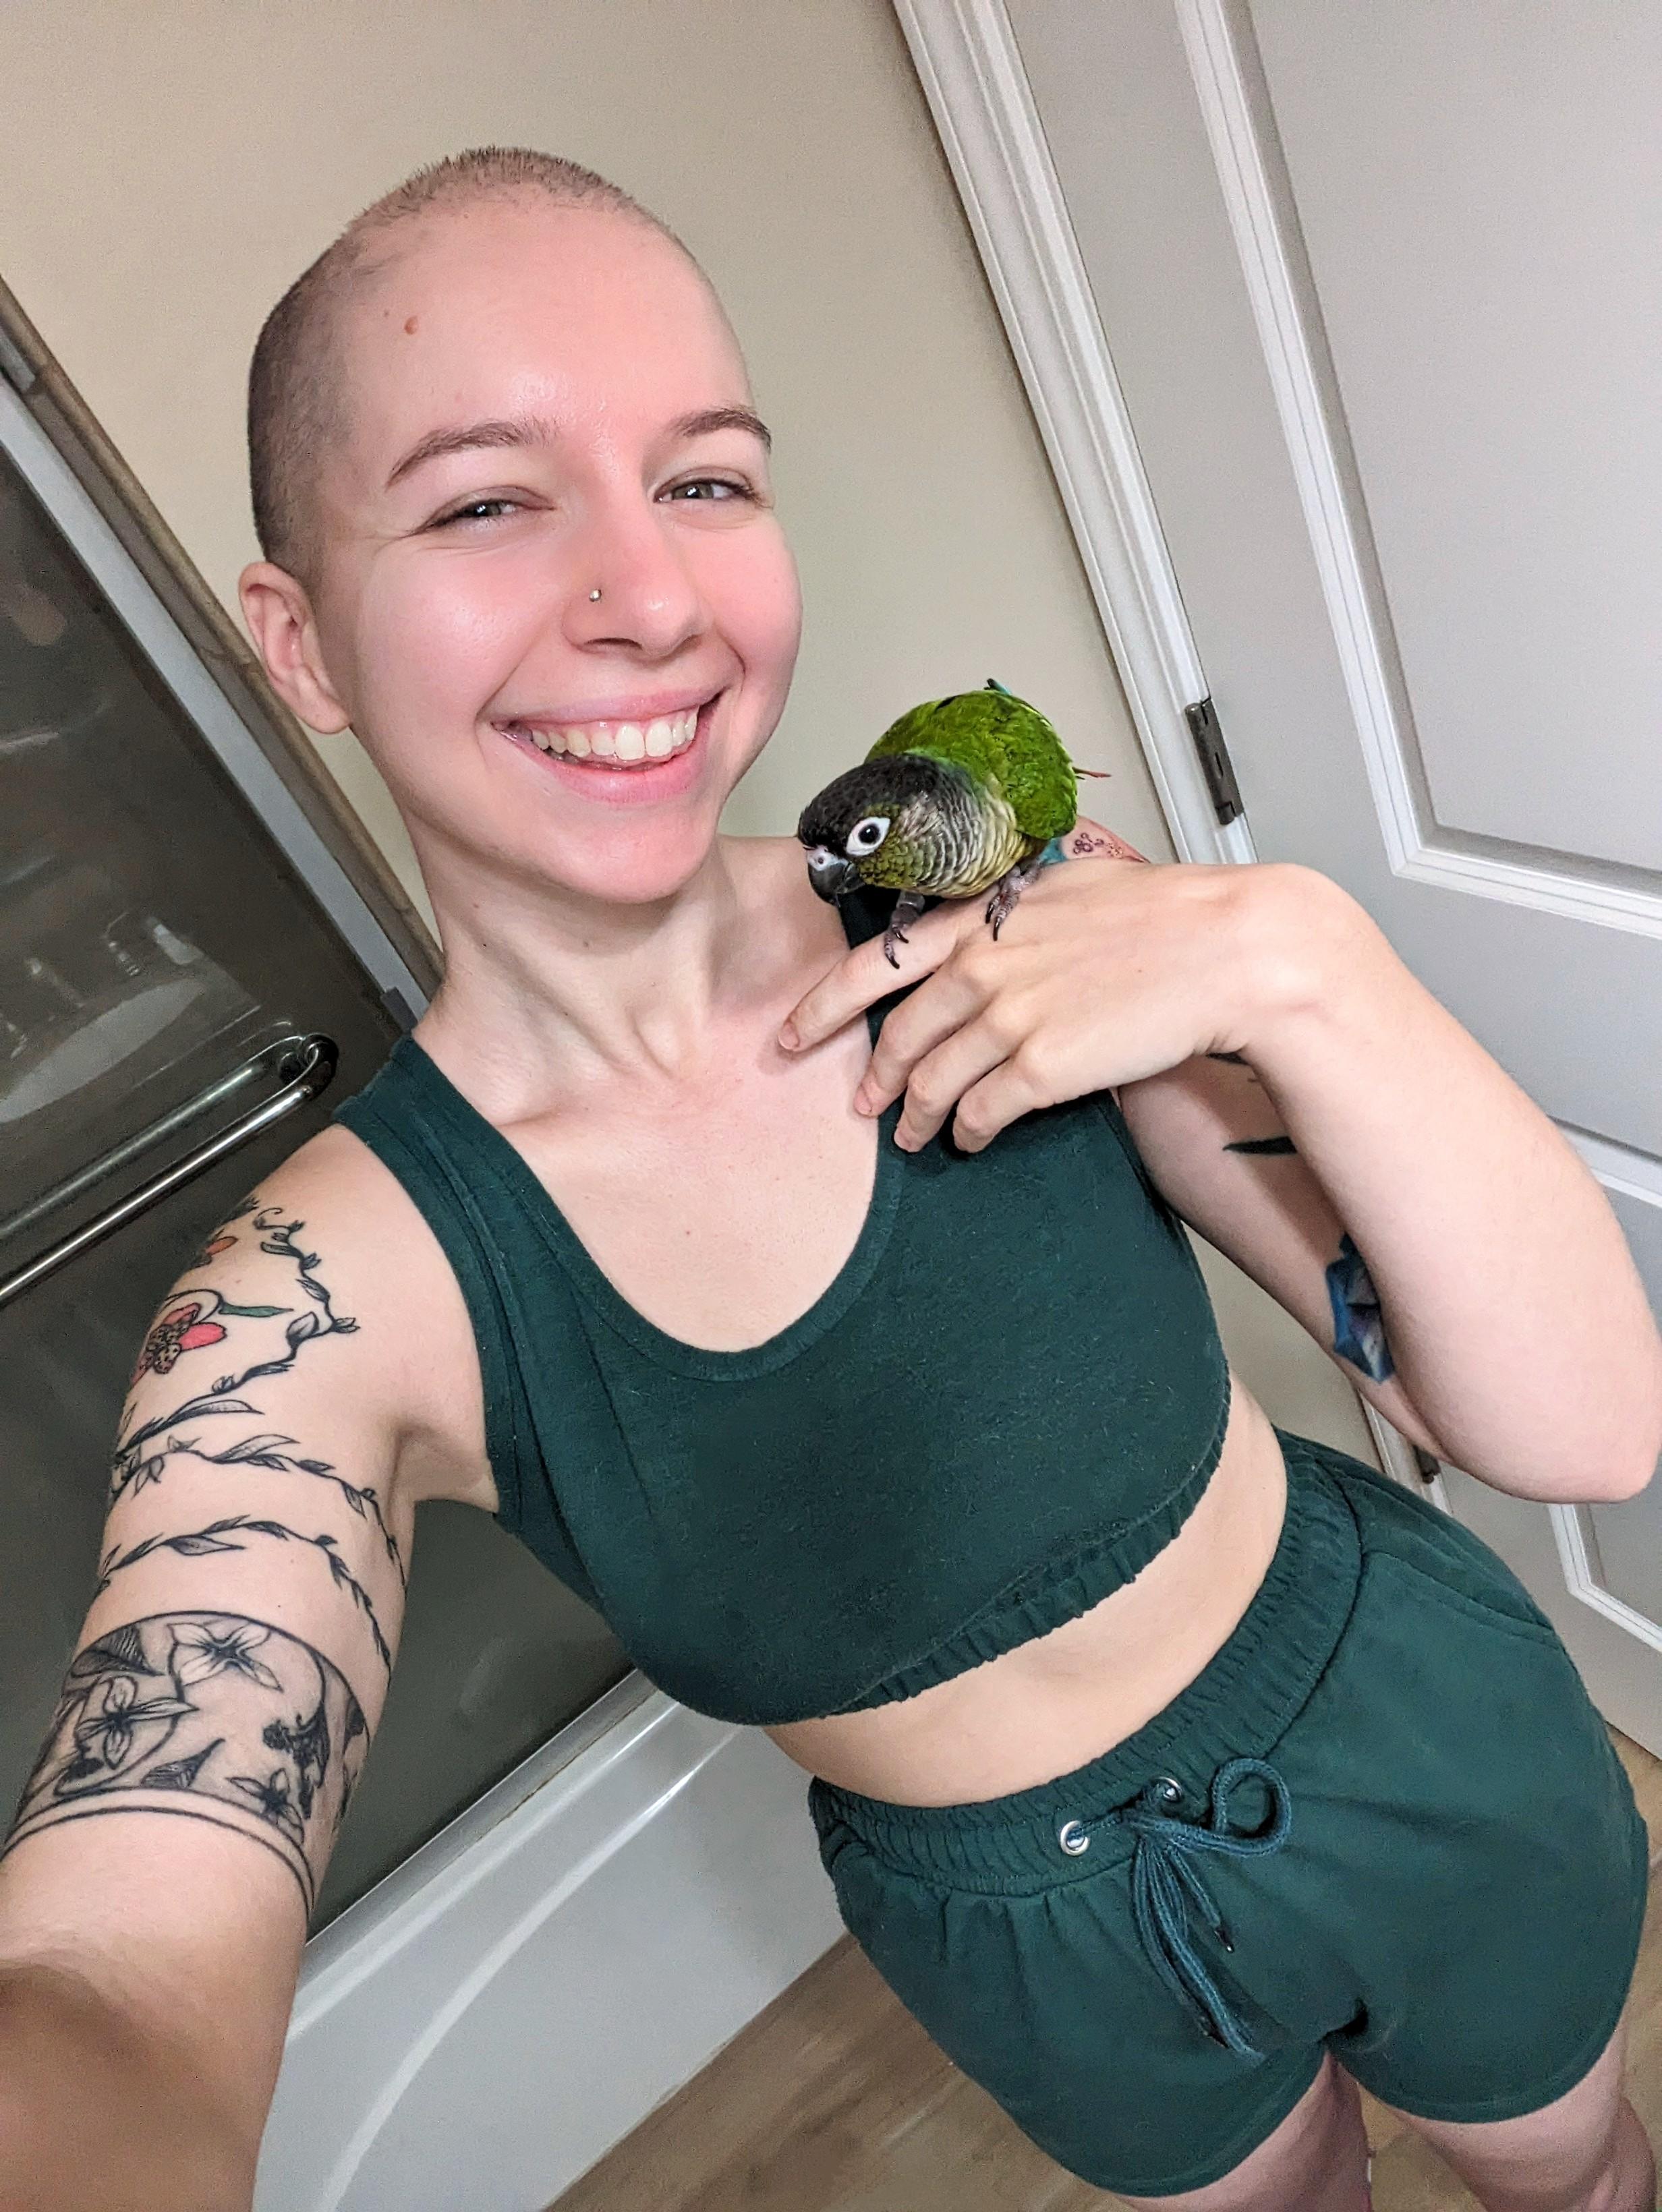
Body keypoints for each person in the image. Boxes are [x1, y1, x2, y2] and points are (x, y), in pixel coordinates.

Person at [1, 148, 1658, 2212]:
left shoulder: (996, 919)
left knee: (1577, 2176)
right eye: (488, 501)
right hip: (1028, 1944)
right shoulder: (310, 1310)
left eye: (705, 478)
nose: (651, 596)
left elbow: (1579, 1430)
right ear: (303, 641)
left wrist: (1302, 958)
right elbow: (115, 1958)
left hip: (1406, 1724)